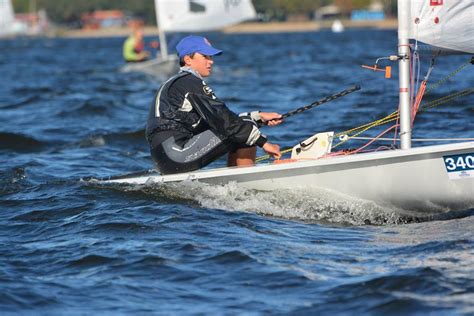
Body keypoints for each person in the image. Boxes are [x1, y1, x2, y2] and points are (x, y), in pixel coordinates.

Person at [146, 35, 282, 175]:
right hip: (175, 155)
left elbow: (220, 120)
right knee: (246, 128)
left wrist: (258, 117)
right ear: (188, 60)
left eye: (211, 57)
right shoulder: (190, 82)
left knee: (244, 126)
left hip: (167, 157)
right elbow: (223, 119)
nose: (211, 62)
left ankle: (236, 182)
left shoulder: (179, 82)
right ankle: (244, 185)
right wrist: (264, 143)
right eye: (205, 56)